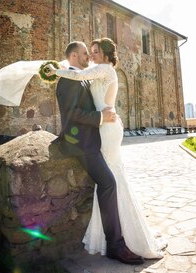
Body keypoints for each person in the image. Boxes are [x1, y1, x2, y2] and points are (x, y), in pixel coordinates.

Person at [46, 39, 165, 261]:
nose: (88, 57)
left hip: (100, 134)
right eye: (85, 53)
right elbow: (72, 114)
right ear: (73, 56)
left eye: (92, 52)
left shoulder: (96, 72)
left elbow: (84, 83)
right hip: (82, 142)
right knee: (111, 181)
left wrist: (103, 116)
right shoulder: (70, 79)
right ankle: (115, 243)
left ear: (106, 54)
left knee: (111, 180)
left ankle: (115, 241)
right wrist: (100, 116)